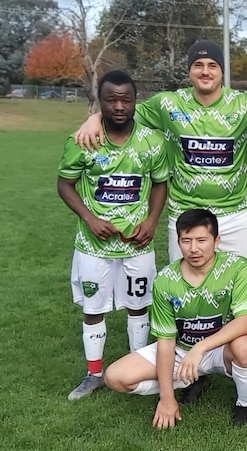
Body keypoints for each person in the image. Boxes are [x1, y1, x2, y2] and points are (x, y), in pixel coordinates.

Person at [73, 40, 247, 270]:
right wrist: (95, 118)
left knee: (239, 283)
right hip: (185, 211)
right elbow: (127, 112)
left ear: (222, 71)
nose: (205, 71)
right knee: (187, 283)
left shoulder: (245, 104)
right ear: (189, 70)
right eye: (198, 65)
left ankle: (241, 330)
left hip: (235, 214)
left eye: (212, 65)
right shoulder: (168, 104)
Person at [57, 70, 171, 400]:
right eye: (111, 100)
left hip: (137, 244)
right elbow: (65, 184)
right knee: (94, 308)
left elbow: (161, 182)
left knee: (140, 306)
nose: (119, 106)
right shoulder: (84, 140)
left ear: (135, 101)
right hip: (94, 246)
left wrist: (151, 221)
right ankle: (94, 374)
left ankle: (138, 367)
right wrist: (90, 218)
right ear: (101, 102)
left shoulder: (152, 142)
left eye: (126, 99)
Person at [103, 209, 247, 427]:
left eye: (201, 240)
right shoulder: (165, 280)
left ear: (216, 241)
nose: (194, 248)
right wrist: (167, 399)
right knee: (115, 377)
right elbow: (166, 341)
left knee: (246, 345)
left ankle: (244, 405)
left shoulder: (237, 268)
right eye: (186, 240)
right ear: (178, 242)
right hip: (181, 350)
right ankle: (182, 381)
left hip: (220, 349)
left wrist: (200, 348)